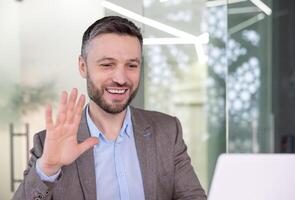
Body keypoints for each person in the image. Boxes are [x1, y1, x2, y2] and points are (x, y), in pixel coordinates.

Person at [13, 16, 207, 200]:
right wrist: (47, 169)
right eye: (107, 65)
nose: (121, 79)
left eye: (131, 65)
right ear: (83, 66)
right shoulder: (48, 143)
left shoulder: (166, 130)